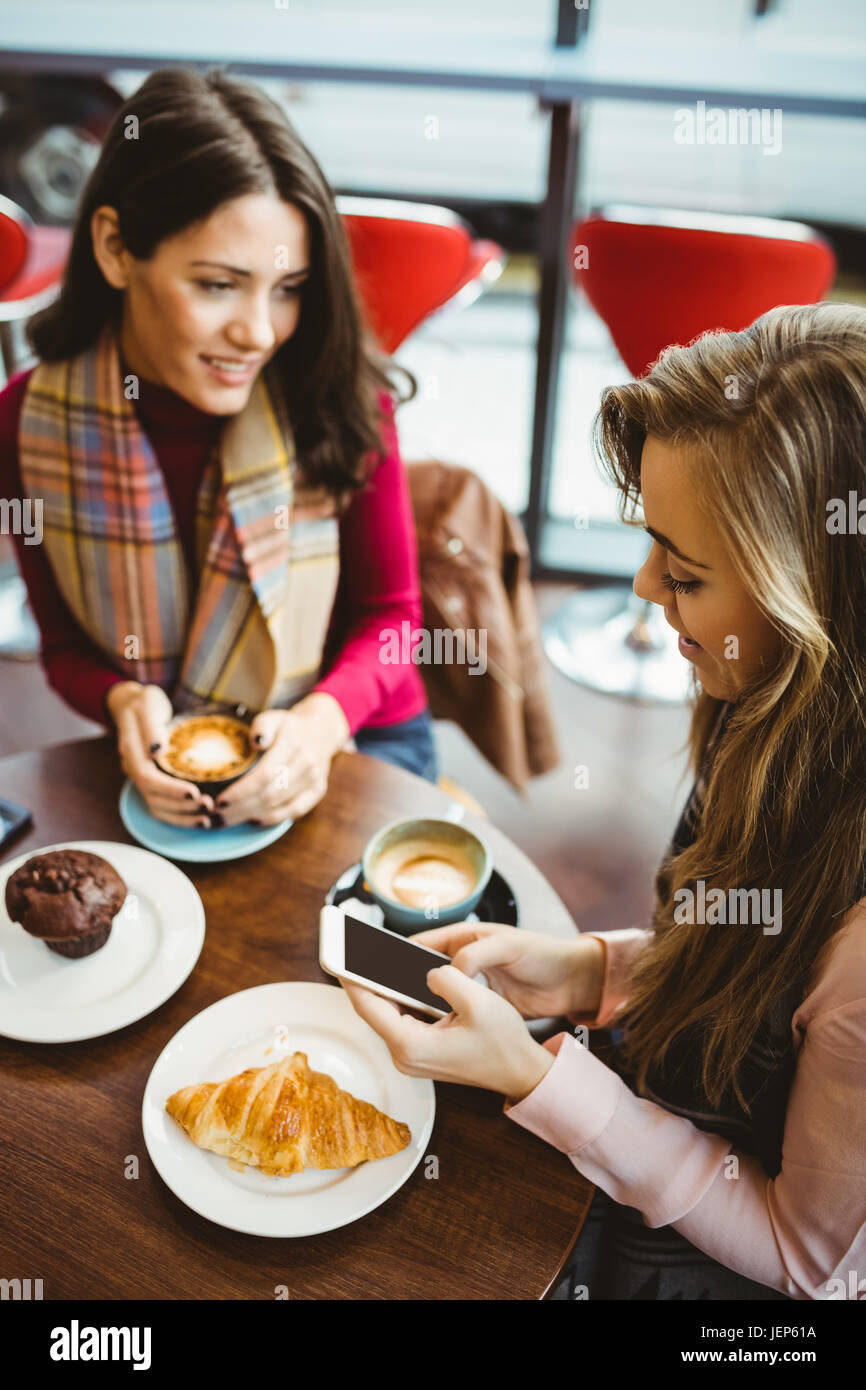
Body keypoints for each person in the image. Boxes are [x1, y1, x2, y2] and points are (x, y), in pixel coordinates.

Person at [343, 303, 866, 1300]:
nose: (640, 584)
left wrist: (541, 1082)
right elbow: (750, 964)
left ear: (814, 598)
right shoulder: (766, 708)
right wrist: (587, 971)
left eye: (684, 571)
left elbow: (808, 1265)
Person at [0, 67, 436, 829]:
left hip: (361, 734)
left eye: (289, 287)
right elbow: (64, 645)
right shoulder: (26, 423)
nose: (260, 333)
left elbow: (393, 617)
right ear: (113, 247)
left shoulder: (339, 395)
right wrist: (120, 697)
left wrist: (319, 726)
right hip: (172, 762)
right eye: (217, 285)